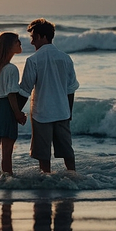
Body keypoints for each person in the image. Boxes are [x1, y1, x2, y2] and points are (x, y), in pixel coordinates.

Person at [19, 18, 79, 173]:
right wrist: (69, 112)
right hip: (62, 112)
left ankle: (46, 182)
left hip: (41, 113)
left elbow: (25, 89)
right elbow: (70, 89)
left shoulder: (33, 60)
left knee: (43, 154)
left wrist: (16, 112)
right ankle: (73, 178)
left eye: (33, 38)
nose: (32, 42)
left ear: (42, 36)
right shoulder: (65, 58)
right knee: (67, 150)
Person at [0, 32, 27, 175]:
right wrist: (17, 113)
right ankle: (8, 180)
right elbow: (11, 94)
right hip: (6, 107)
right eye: (17, 41)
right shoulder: (11, 69)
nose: (20, 43)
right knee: (7, 150)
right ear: (8, 46)